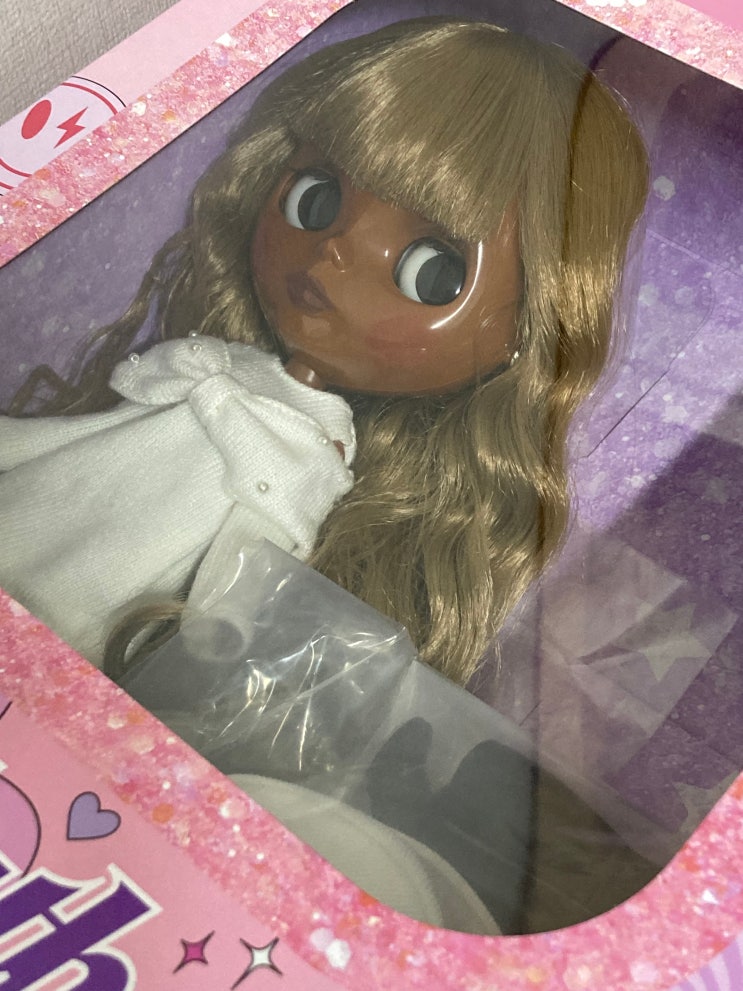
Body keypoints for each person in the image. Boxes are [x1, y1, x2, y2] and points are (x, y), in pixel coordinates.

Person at [0, 17, 649, 685]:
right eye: (316, 197)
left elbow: (225, 611)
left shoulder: (304, 461)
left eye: (431, 272)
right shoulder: (220, 367)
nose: (334, 250)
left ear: (528, 326)